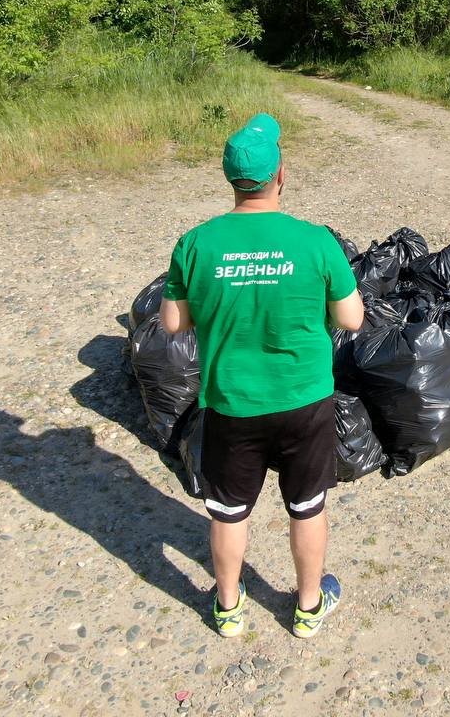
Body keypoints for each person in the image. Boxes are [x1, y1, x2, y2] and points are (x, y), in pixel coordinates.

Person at [160, 113, 364, 639]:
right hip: (304, 400)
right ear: (282, 175)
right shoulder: (316, 241)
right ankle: (308, 606)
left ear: (230, 179)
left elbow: (173, 322)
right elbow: (351, 319)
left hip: (231, 402)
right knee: (307, 505)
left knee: (227, 511)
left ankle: (227, 608)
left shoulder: (196, 243)